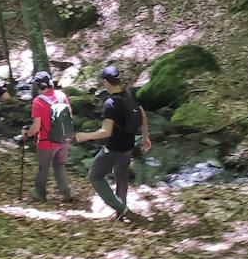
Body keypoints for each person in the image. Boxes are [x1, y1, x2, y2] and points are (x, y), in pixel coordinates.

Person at [75, 65, 151, 221]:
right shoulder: (131, 94)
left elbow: (106, 132)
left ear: (105, 82)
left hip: (114, 148)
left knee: (94, 176)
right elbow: (143, 116)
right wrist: (145, 137)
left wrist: (84, 136)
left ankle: (121, 209)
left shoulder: (110, 103)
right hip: (129, 147)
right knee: (121, 175)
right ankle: (120, 213)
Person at [20, 71, 74, 203]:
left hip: (47, 142)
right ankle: (66, 193)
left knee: (43, 167)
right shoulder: (62, 95)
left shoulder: (38, 101)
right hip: (64, 139)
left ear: (38, 85)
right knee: (60, 165)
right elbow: (70, 117)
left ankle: (40, 193)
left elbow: (36, 127)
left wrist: (26, 134)